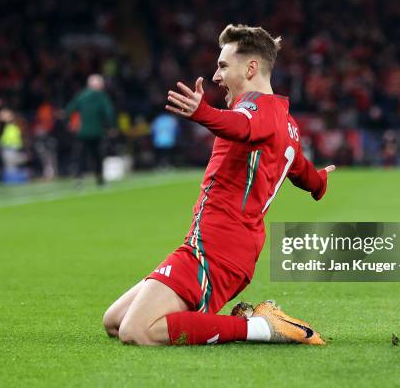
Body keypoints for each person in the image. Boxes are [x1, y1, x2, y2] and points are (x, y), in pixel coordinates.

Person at [103, 24, 335, 346]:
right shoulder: (287, 124)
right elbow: (302, 171)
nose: (215, 76)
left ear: (251, 68)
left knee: (137, 331)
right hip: (218, 245)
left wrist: (202, 112)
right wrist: (319, 182)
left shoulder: (258, 111)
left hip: (217, 248)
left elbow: (240, 126)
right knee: (114, 321)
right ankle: (244, 323)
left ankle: (262, 328)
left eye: (223, 66)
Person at [64, 74, 115, 186]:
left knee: (79, 156)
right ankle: (99, 178)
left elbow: (68, 110)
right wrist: (110, 126)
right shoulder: (101, 96)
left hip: (82, 132)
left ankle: (78, 179)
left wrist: (68, 124)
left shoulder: (81, 95)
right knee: (97, 156)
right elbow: (109, 113)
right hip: (97, 132)